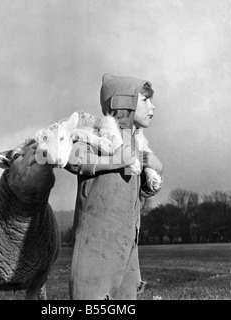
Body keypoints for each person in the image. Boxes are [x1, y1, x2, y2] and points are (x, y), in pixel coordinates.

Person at [65, 73, 163, 300]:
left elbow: (136, 193)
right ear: (124, 103)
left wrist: (157, 168)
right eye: (145, 101)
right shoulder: (95, 133)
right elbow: (72, 159)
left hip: (128, 245)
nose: (153, 107)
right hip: (96, 244)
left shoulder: (135, 142)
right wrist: (116, 160)